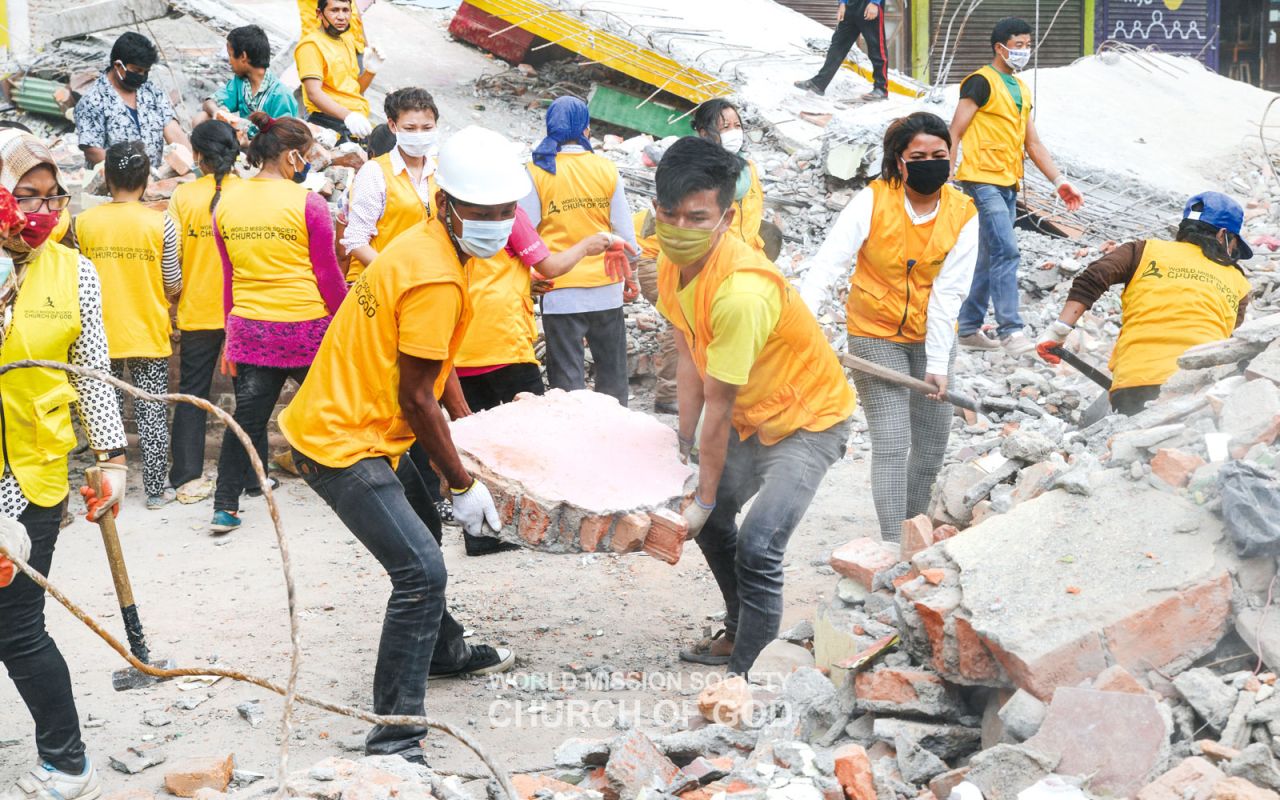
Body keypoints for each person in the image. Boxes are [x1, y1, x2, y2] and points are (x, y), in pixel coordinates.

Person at [277, 126, 524, 762]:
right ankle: (396, 734)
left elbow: (435, 375)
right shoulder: (436, 276)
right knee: (420, 569)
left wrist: (465, 442)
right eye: (483, 212)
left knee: (421, 530)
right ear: (449, 204)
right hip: (343, 442)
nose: (497, 223)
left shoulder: (428, 244)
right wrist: (463, 486)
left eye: (505, 212)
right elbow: (419, 396)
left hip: (363, 423)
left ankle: (444, 652)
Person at [653, 137, 855, 675]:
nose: (681, 228)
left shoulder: (742, 290)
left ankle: (750, 678)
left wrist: (703, 488)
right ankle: (739, 630)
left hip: (807, 420)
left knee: (759, 544)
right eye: (669, 215)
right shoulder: (674, 262)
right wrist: (682, 445)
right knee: (715, 522)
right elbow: (689, 357)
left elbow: (719, 408)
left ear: (727, 215)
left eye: (698, 217)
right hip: (749, 411)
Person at [0, 128, 129, 800]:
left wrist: (112, 460)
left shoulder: (72, 270)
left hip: (29, 479)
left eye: (53, 198)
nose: (42, 213)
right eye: (26, 196)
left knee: (15, 624)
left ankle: (68, 761)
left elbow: (94, 372)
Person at [799, 113, 977, 542]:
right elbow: (828, 264)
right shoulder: (873, 201)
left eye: (940, 154)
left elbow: (948, 295)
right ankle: (891, 543)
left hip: (931, 335)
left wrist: (937, 362)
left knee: (932, 443)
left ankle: (911, 531)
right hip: (873, 334)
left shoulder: (963, 213)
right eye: (919, 156)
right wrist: (801, 325)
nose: (931, 162)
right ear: (900, 161)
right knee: (894, 441)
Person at [208, 112, 347, 533]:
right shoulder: (310, 204)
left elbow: (229, 279)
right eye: (304, 157)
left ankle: (225, 505)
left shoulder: (225, 203)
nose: (305, 165)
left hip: (252, 332)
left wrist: (230, 339)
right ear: (290, 157)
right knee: (335, 414)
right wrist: (348, 324)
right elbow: (328, 276)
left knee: (246, 422)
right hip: (308, 331)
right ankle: (361, 491)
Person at [1038, 192, 1253, 416]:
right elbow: (1228, 340)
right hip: (1200, 389)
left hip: (1135, 385)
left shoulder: (1144, 250)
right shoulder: (1238, 281)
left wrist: (1058, 332)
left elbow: (1093, 276)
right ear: (1223, 235)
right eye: (1235, 245)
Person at [948, 17, 1084, 356]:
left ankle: (967, 328)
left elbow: (1033, 143)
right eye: (1018, 45)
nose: (1024, 51)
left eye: (1027, 45)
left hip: (1008, 183)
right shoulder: (980, 82)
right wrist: (945, 179)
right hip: (981, 180)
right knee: (1007, 251)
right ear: (1000, 47)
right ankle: (1011, 330)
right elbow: (954, 131)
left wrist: (1059, 181)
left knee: (988, 255)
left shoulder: (1021, 88)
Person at [75, 141, 182, 510]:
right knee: (152, 412)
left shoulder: (84, 223)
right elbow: (172, 281)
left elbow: (79, 277)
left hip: (97, 336)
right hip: (147, 330)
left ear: (106, 177)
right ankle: (155, 491)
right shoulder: (160, 222)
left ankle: (108, 489)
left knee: (106, 415)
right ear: (146, 178)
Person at [519, 96, 639, 407]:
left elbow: (524, 232)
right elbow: (626, 237)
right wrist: (631, 273)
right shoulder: (605, 169)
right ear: (586, 129)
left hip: (560, 289)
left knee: (567, 384)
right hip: (606, 287)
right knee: (613, 376)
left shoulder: (537, 170)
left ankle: (572, 443)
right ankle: (616, 439)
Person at [168, 120, 242, 496]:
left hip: (197, 309)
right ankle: (247, 478)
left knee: (193, 394)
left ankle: (185, 474)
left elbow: (173, 257)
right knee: (250, 398)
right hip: (242, 313)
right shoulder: (247, 194)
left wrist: (176, 295)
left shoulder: (183, 197)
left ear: (197, 155)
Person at [342, 87, 439, 280]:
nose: (419, 134)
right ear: (393, 126)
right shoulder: (375, 172)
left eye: (427, 128)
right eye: (410, 128)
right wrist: (396, 276)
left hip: (422, 279)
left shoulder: (439, 171)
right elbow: (356, 240)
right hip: (377, 280)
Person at [74, 32, 190, 167]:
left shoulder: (152, 92)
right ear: (118, 65)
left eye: (146, 72)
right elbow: (93, 151)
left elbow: (173, 130)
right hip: (115, 181)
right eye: (136, 71)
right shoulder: (93, 100)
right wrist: (130, 172)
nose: (142, 76)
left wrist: (194, 163)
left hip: (152, 179)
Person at [295, 0, 381, 141]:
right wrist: (348, 116)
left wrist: (371, 71)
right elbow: (314, 93)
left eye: (345, 10)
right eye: (334, 10)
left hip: (354, 123)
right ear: (319, 13)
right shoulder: (310, 46)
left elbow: (353, 91)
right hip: (328, 123)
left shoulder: (345, 40)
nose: (341, 17)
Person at [199, 26, 299, 137]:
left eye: (230, 55)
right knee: (202, 118)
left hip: (265, 150)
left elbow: (283, 139)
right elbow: (209, 102)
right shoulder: (240, 82)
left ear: (243, 56)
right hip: (240, 141)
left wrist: (248, 143)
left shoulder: (281, 96)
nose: (229, 61)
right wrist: (217, 112)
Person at [794, 0, 888, 101]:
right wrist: (842, 3)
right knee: (838, 45)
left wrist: (875, 2)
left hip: (869, 3)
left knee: (876, 48)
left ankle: (880, 89)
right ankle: (819, 84)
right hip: (850, 5)